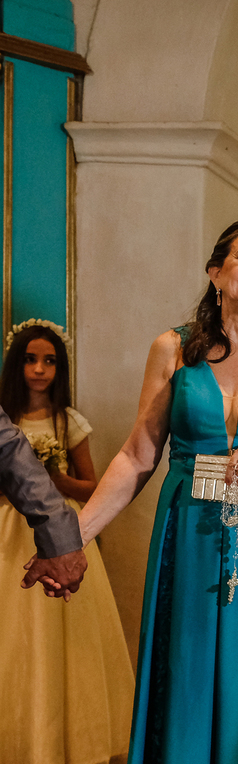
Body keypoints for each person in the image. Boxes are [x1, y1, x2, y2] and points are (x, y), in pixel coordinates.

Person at [76, 215, 238, 764]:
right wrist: (74, 536)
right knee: (187, 662)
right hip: (188, 531)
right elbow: (137, 455)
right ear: (216, 272)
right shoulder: (172, 349)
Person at [0, 320, 135, 764]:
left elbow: (91, 484)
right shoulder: (7, 413)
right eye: (30, 360)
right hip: (7, 531)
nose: (40, 369)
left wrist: (53, 480)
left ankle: (70, 734)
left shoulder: (67, 421)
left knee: (66, 637)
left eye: (49, 361)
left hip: (58, 527)